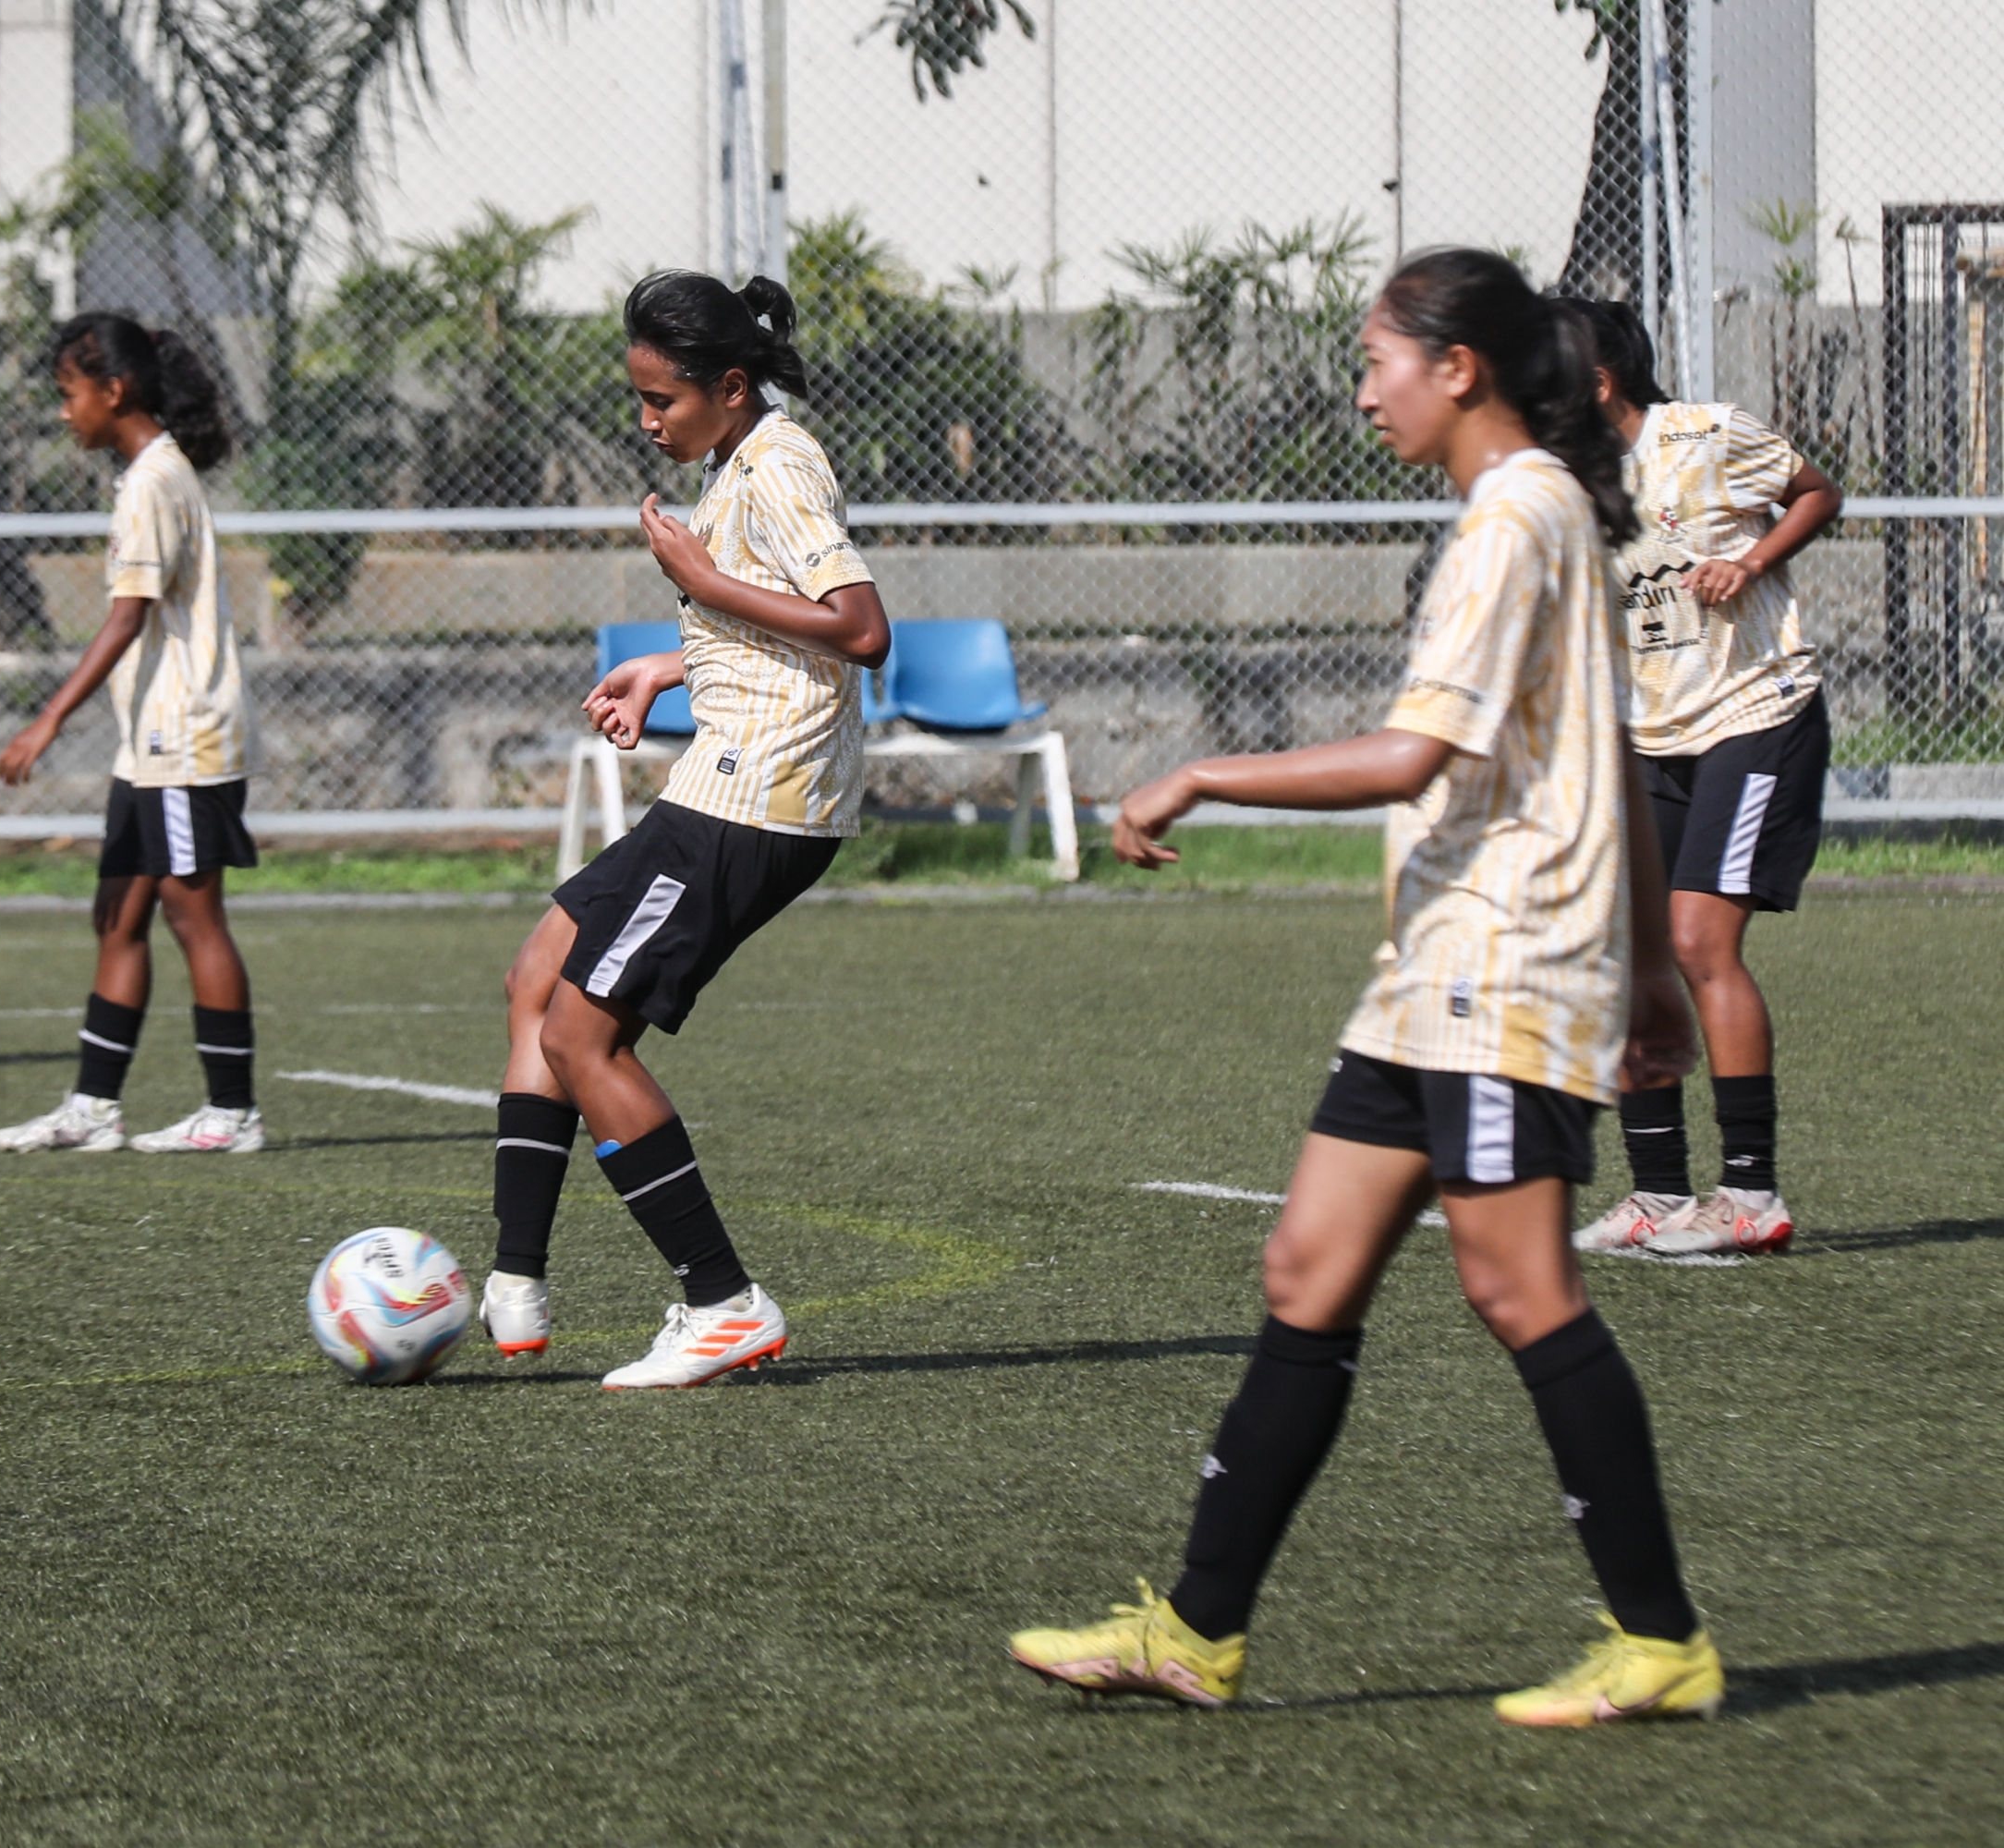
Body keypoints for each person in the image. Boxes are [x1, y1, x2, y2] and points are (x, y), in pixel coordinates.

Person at [1007, 250, 1722, 1726]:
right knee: (1305, 1273)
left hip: (1501, 965)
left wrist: (1203, 771)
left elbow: (1412, 758)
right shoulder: (1527, 514)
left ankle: (1659, 1640)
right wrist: (1654, 973)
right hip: (1436, 971)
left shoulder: (1517, 518)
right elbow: (1611, 765)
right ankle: (1196, 1633)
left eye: (1376, 358)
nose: (1361, 388)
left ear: (1456, 367)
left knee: (1522, 1290)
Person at [476, 270, 891, 1390]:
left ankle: (723, 1300)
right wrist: (675, 659)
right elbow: (768, 617)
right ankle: (516, 1278)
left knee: (582, 1035)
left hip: (760, 794)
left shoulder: (782, 463)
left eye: (663, 400)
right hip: (724, 771)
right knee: (538, 976)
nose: (647, 419)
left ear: (733, 387)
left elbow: (859, 630)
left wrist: (699, 579)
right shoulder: (735, 461)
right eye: (640, 397)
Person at [1571, 298, 1842, 1257]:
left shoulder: (1708, 434)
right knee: (1636, 955)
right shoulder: (1568, 479)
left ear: (1598, 381)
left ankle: (1751, 1192)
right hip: (1651, 734)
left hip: (1754, 714)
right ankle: (1656, 1197)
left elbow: (1817, 490)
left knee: (1698, 939)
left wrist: (1752, 557)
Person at [0, 311, 263, 1157]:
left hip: (183, 740)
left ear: (113, 391)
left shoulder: (153, 480)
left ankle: (232, 1113)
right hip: (148, 744)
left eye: (69, 393)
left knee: (194, 917)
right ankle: (93, 1108)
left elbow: (125, 618)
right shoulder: (147, 474)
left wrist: (47, 718)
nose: (63, 411)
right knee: (118, 918)